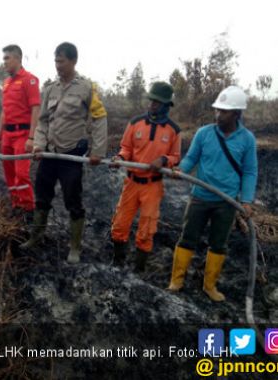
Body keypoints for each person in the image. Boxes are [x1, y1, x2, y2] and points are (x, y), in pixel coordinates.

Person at [20, 42, 108, 264]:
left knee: (73, 200)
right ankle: (36, 236)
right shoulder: (50, 89)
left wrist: (98, 151)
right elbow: (42, 122)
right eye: (55, 61)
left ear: (73, 61)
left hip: (72, 155)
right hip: (49, 154)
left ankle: (75, 247)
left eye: (61, 61)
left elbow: (99, 118)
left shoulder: (87, 88)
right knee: (41, 196)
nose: (57, 65)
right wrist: (38, 144)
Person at [167, 85, 257, 301]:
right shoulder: (204, 133)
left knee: (218, 243)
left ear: (236, 113)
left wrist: (246, 200)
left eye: (223, 111)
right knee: (187, 237)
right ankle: (176, 281)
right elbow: (191, 158)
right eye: (217, 110)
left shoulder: (247, 139)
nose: (218, 114)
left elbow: (250, 171)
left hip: (226, 203)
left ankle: (209, 286)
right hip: (200, 197)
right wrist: (182, 170)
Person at [109, 82, 181, 272]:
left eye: (157, 102)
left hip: (153, 186)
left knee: (146, 230)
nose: (152, 105)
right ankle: (118, 264)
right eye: (151, 101)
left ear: (167, 105)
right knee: (120, 224)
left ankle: (139, 270)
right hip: (132, 183)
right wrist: (121, 157)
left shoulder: (174, 130)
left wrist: (164, 160)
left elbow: (175, 157)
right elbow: (126, 148)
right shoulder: (135, 123)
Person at [0, 44, 41, 222]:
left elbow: (35, 109)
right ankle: (16, 206)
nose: (4, 62)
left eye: (7, 58)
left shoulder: (30, 80)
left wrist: (32, 137)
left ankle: (29, 209)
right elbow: (5, 111)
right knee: (9, 174)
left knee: (21, 174)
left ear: (18, 58)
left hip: (23, 135)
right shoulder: (6, 83)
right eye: (4, 59)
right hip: (7, 135)